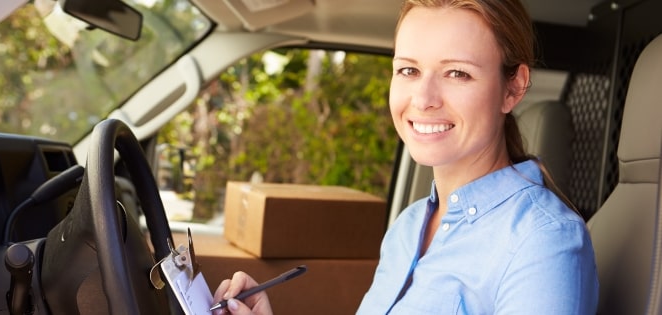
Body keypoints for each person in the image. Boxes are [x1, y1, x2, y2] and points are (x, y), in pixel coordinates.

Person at [213, 0, 599, 313]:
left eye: (457, 74)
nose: (424, 99)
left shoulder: (544, 241)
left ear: (513, 89)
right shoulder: (408, 227)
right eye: (409, 70)